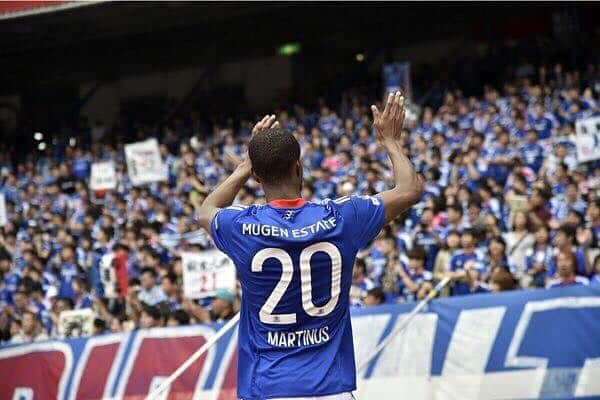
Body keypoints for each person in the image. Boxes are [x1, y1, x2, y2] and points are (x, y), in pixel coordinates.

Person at [198, 92, 423, 400]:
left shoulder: (240, 227)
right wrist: (391, 142)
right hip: (330, 388)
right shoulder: (342, 217)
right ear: (299, 168)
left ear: (256, 176)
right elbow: (410, 189)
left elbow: (206, 210)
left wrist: (242, 168)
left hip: (267, 387)